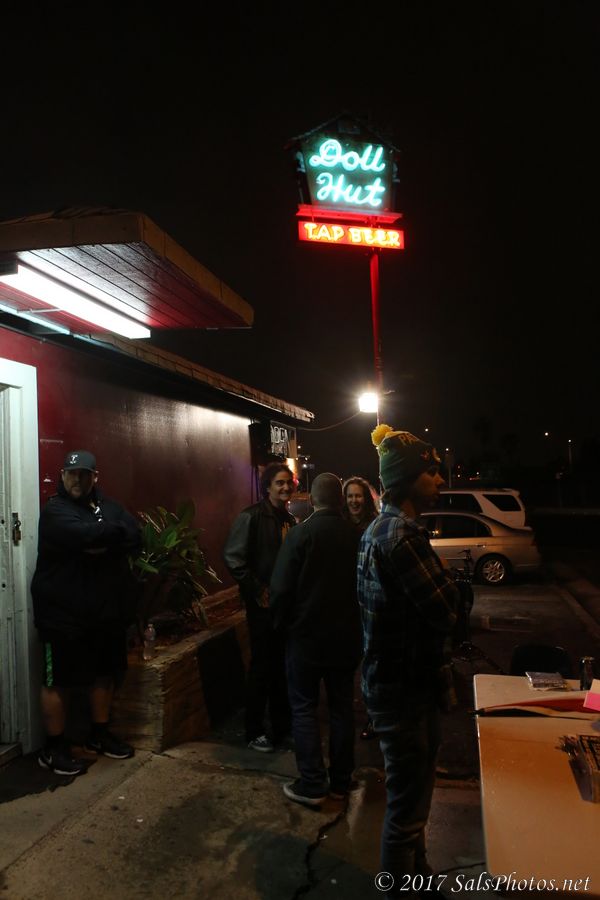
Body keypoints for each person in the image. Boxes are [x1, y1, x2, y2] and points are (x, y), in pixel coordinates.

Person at [357, 425, 461, 892]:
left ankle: (420, 880)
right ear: (405, 480)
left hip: (394, 685)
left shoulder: (379, 530)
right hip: (404, 692)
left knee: (413, 801)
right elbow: (447, 610)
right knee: (406, 811)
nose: (439, 478)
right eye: (430, 471)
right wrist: (453, 583)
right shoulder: (401, 536)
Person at [31, 450, 142, 777]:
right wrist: (106, 537)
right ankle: (53, 748)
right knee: (58, 681)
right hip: (61, 615)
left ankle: (98, 735)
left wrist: (104, 538)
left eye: (83, 473)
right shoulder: (55, 511)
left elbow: (135, 535)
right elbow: (84, 535)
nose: (76, 479)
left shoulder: (108, 506)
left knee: (104, 673)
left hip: (103, 614)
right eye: (71, 473)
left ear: (95, 476)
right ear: (62, 476)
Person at [270, 473, 362, 807]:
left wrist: (281, 626)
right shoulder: (356, 536)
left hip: (306, 638)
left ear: (312, 500)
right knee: (342, 709)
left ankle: (312, 783)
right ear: (340, 500)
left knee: (304, 708)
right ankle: (341, 781)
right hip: (346, 638)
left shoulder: (300, 535)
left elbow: (280, 589)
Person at [223, 460, 296, 752]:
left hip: (284, 605)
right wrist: (257, 589)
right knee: (262, 667)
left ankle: (281, 727)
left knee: (281, 668)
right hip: (262, 606)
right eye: (279, 483)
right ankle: (254, 731)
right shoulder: (251, 516)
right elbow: (233, 558)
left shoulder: (288, 519)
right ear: (267, 487)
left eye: (288, 482)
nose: (285, 487)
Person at [342, 475, 380, 740]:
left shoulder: (374, 525)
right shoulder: (340, 524)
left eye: (358, 496)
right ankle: (345, 715)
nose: (354, 500)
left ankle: (373, 717)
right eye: (350, 496)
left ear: (366, 499)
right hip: (345, 604)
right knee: (347, 664)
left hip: (369, 603)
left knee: (372, 664)